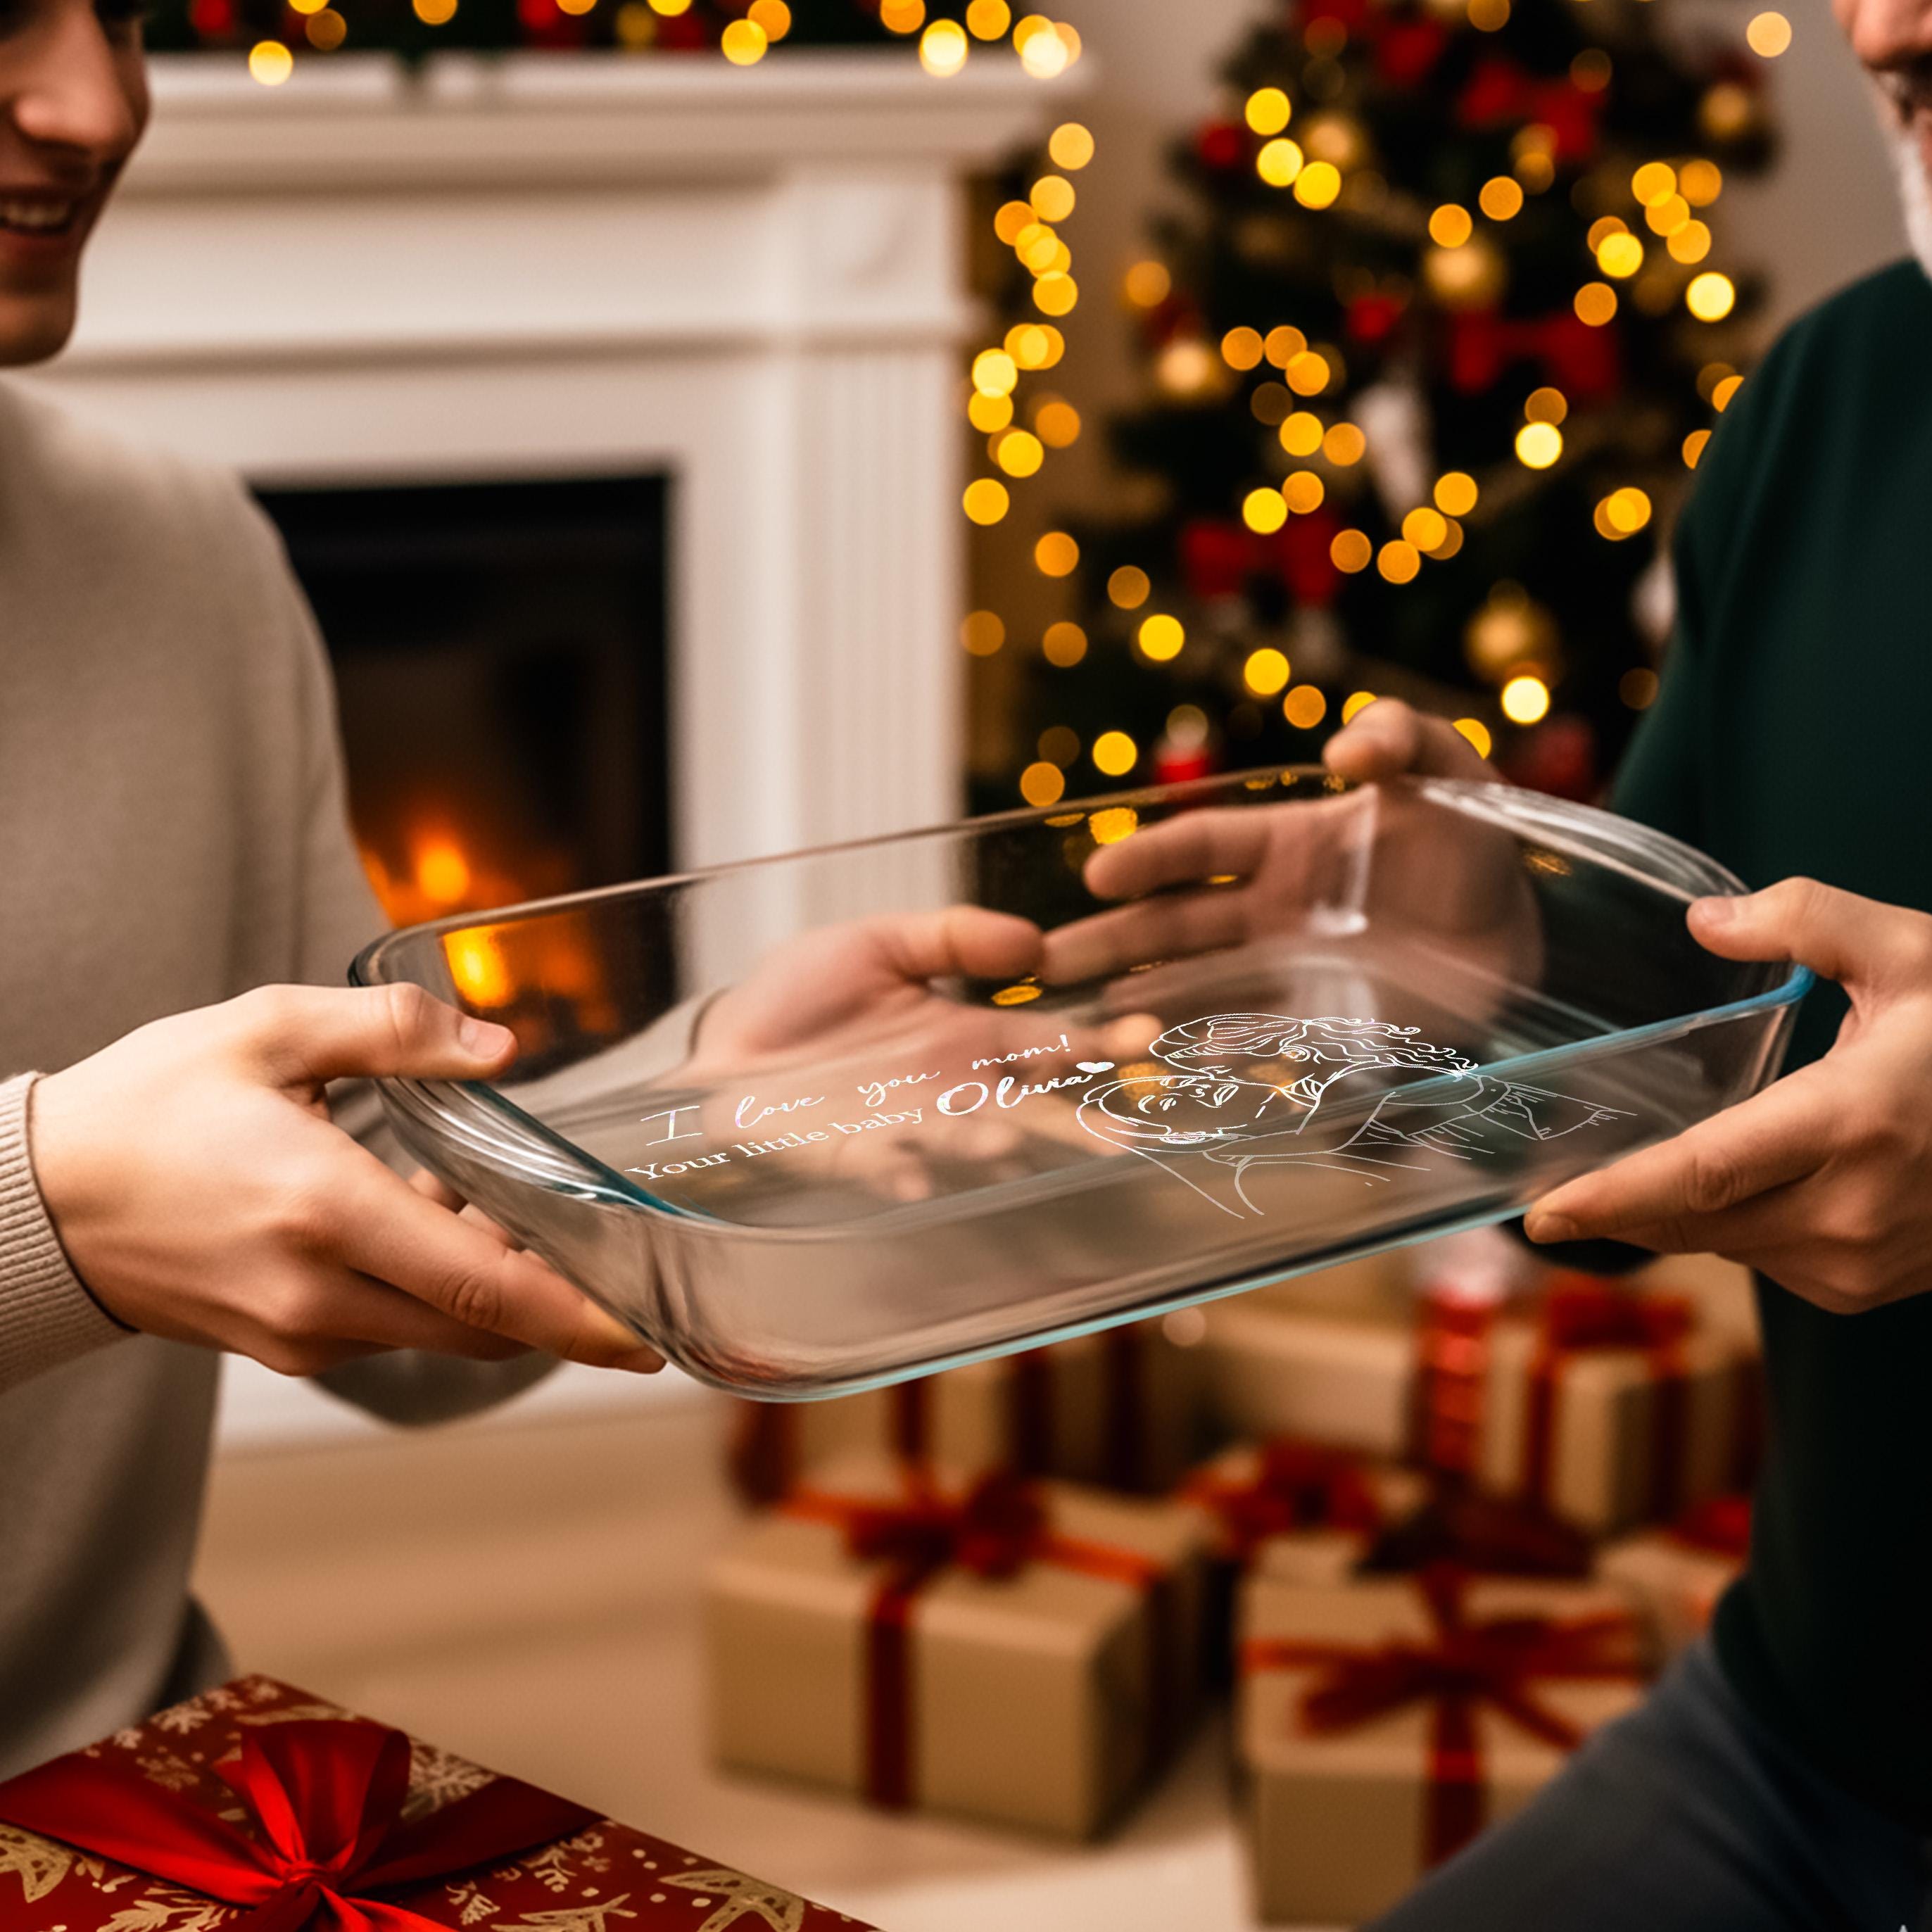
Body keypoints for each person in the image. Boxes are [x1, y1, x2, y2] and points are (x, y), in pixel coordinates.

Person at [0, 0, 671, 1774]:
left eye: (124, 11)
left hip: (133, 1800)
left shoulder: (190, 560)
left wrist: (718, 1107)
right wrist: (47, 1216)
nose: (98, 104)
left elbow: (376, 1214)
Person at [1320, 3, 1932, 1917]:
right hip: (1814, 1734)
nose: (1883, 22)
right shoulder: (1838, 398)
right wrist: (1489, 952)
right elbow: (1661, 1012)